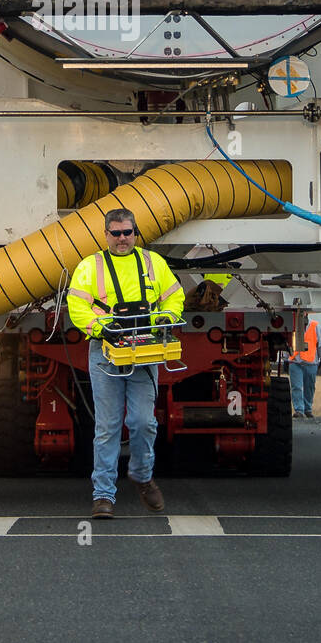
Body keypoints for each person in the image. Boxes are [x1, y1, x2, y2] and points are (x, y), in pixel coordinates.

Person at [66, 208, 184, 519]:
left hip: (144, 350)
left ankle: (142, 476)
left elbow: (174, 297)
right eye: (116, 233)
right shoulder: (90, 267)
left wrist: (165, 320)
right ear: (106, 235)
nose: (122, 239)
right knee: (107, 428)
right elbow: (77, 305)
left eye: (127, 233)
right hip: (105, 351)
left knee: (144, 422)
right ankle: (103, 496)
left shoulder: (152, 263)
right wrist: (98, 327)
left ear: (135, 233)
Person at [287, 311, 321, 419]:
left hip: (311, 362)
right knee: (296, 387)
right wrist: (286, 359)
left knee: (309, 387)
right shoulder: (292, 326)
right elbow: (287, 343)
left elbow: (320, 343)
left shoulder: (315, 326)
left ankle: (307, 409)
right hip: (295, 361)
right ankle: (299, 410)